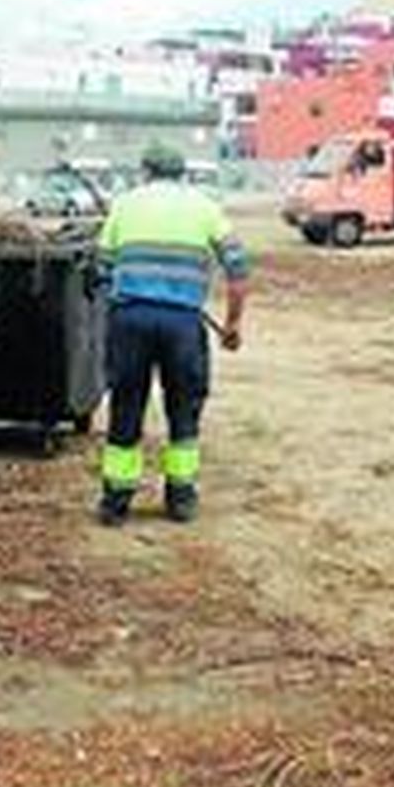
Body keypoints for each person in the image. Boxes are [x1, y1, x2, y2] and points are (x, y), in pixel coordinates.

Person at [97, 143, 250, 526]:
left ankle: (116, 501)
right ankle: (180, 498)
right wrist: (232, 325)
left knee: (126, 406)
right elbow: (238, 271)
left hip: (130, 320)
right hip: (182, 324)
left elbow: (101, 269)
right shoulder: (205, 207)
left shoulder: (125, 204)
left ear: (146, 171)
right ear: (182, 173)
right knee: (184, 408)